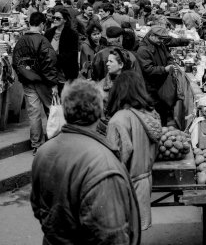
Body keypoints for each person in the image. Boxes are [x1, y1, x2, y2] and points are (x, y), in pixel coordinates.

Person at [30, 79, 141, 244]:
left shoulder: (43, 152)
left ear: (66, 110)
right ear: (100, 111)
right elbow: (112, 236)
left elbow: (38, 207)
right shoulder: (102, 163)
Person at [106, 71, 162, 231]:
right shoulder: (151, 115)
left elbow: (115, 160)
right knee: (134, 234)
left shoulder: (119, 119)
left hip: (124, 188)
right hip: (144, 184)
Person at [12, 12, 59, 155]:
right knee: (51, 110)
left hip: (28, 81)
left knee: (33, 113)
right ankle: (55, 142)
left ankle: (37, 145)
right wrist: (53, 83)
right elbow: (49, 62)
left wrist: (25, 74)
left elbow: (16, 62)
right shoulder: (43, 40)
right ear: (42, 24)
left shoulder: (20, 41)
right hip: (43, 81)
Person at [136, 26, 182, 123]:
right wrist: (164, 69)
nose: (161, 41)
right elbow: (148, 69)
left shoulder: (160, 44)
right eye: (160, 38)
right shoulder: (143, 50)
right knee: (155, 113)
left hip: (162, 85)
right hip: (151, 87)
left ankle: (164, 127)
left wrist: (170, 63)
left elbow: (169, 56)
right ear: (152, 35)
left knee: (163, 110)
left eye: (163, 39)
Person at [44, 8, 79, 82]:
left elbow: (73, 53)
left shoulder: (72, 34)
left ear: (65, 20)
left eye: (58, 18)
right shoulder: (48, 33)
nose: (55, 20)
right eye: (54, 18)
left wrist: (56, 59)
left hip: (66, 71)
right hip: (50, 71)